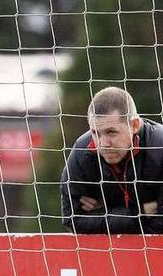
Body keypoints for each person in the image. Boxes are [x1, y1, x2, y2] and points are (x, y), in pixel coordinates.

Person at [61, 86, 163, 234]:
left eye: (111, 132)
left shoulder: (159, 147)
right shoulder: (82, 152)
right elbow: (72, 220)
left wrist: (104, 212)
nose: (103, 143)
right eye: (95, 133)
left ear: (134, 125)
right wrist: (142, 212)